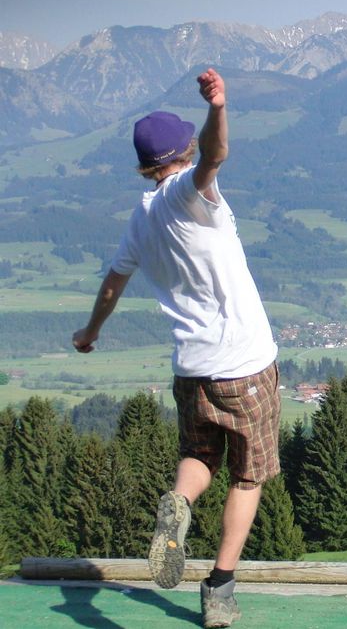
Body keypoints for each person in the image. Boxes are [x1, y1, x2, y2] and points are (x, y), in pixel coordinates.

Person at [73, 68, 280, 629]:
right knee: (248, 475)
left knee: (198, 458)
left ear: (145, 164)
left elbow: (114, 282)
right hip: (245, 363)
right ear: (183, 150)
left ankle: (180, 505)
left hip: (191, 369)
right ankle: (219, 588)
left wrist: (91, 332)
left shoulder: (141, 219)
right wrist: (219, 106)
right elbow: (217, 156)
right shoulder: (191, 194)